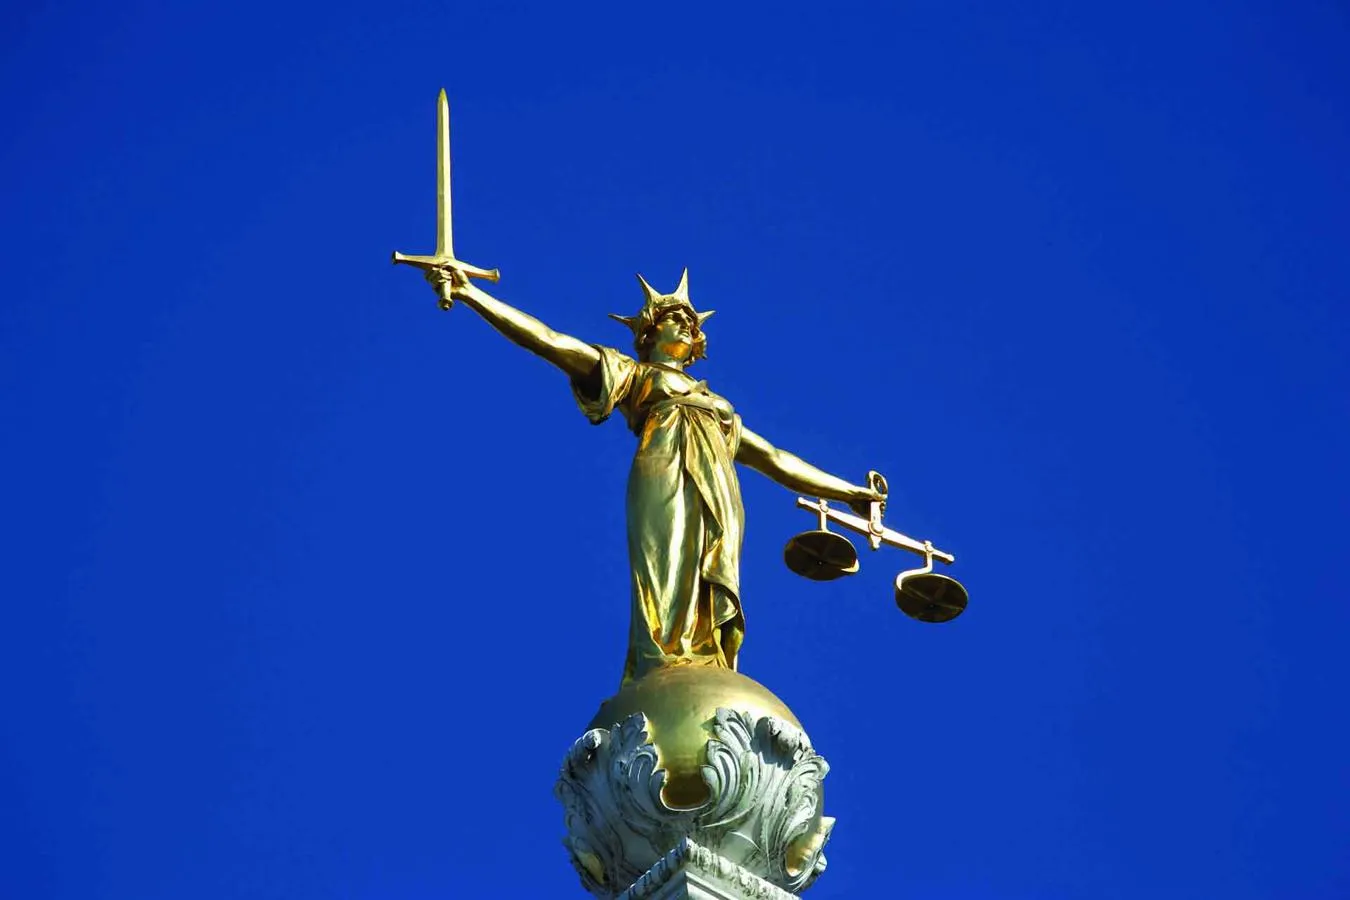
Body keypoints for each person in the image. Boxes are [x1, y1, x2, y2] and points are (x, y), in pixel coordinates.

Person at [428, 266, 884, 684]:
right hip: (663, 471)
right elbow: (550, 340)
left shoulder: (717, 408)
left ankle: (706, 661)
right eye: (674, 318)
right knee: (663, 571)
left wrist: (848, 493)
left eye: (692, 322)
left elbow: (775, 458)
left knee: (708, 575)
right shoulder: (635, 375)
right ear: (648, 332)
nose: (687, 325)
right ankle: (662, 666)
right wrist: (472, 294)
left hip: (719, 492)